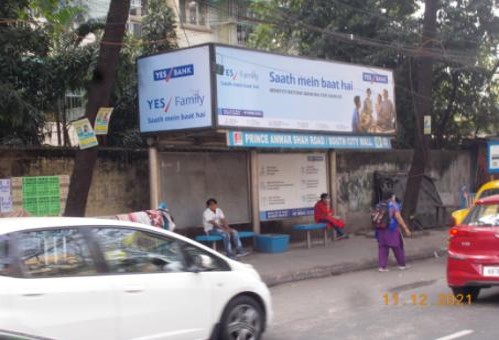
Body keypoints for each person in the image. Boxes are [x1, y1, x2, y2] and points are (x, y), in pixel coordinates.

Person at [376, 191, 412, 272]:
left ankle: (382, 267)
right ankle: (402, 264)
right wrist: (405, 229)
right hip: (391, 229)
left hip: (381, 229)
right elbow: (398, 218)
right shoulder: (393, 205)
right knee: (398, 246)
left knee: (383, 248)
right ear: (392, 197)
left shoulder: (379, 205)